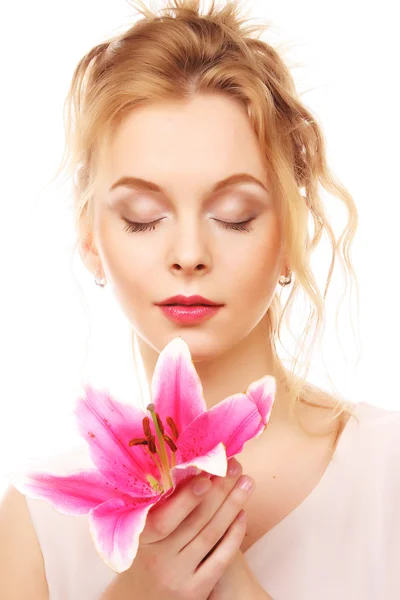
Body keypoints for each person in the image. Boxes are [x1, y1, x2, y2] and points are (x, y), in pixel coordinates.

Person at [1, 0, 399, 598]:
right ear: (91, 240)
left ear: (292, 235)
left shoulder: (388, 473)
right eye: (142, 218)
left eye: (235, 216)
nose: (189, 253)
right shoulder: (36, 527)